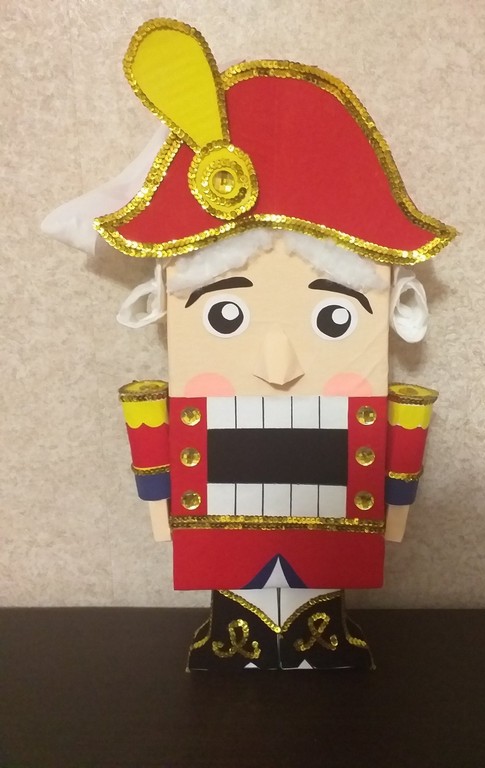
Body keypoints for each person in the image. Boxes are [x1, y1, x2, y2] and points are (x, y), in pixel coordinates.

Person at [43, 18, 456, 670]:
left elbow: (389, 491)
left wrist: (392, 497)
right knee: (240, 588)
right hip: (229, 584)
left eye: (336, 320)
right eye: (225, 314)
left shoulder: (357, 420)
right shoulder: (199, 421)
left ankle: (316, 638)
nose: (279, 368)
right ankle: (236, 640)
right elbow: (166, 491)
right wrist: (166, 506)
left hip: (328, 574)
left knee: (320, 578)